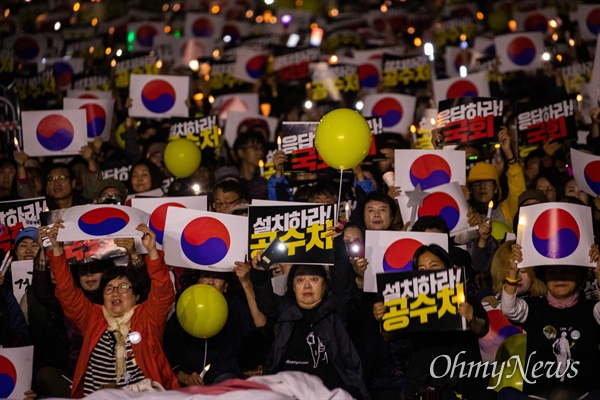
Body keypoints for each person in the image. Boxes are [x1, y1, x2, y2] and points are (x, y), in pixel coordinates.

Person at [47, 221, 179, 397]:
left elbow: (163, 293)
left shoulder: (146, 317)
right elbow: (66, 292)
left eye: (123, 288)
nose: (115, 292)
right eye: (109, 288)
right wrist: (57, 249)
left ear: (137, 296)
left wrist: (152, 252)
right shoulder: (93, 317)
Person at [250, 233, 369, 399]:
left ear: (325, 285)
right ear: (292, 286)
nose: (307, 285)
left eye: (314, 279)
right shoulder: (284, 310)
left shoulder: (336, 309)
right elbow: (265, 301)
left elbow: (342, 281)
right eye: (300, 280)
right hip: (287, 391)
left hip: (329, 391)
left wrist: (337, 245)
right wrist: (259, 273)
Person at [373, 244, 491, 399]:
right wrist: (385, 318)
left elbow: (482, 329)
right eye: (421, 269)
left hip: (461, 382)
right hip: (421, 383)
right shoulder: (410, 303)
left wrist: (472, 320)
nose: (428, 272)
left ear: (448, 268)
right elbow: (389, 336)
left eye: (434, 266)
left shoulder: (467, 300)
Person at [501, 243, 600, 398]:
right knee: (506, 395)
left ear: (580, 276)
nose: (560, 278)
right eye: (553, 272)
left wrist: (599, 273)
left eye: (567, 271)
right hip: (539, 397)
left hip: (583, 396)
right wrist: (513, 272)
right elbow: (509, 309)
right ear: (544, 277)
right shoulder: (534, 308)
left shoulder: (591, 310)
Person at [164, 264, 266, 386]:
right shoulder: (184, 309)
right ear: (197, 281)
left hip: (225, 382)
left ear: (226, 286)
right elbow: (168, 356)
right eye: (206, 276)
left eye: (217, 277)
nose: (211, 282)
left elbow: (260, 322)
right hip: (189, 385)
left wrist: (246, 283)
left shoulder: (235, 308)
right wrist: (186, 378)